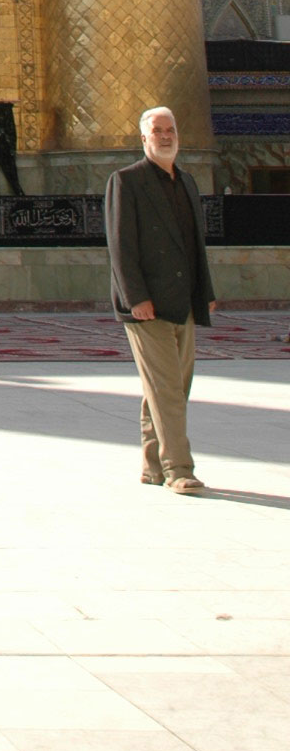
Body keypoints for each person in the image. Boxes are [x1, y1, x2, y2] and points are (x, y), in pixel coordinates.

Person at [105, 106, 217, 495]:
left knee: (170, 387)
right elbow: (121, 245)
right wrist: (135, 297)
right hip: (146, 305)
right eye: (158, 131)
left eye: (171, 130)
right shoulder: (127, 181)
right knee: (167, 389)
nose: (166, 136)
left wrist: (205, 292)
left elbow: (194, 244)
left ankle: (152, 466)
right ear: (144, 138)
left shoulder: (185, 182)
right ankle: (178, 469)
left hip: (182, 300)